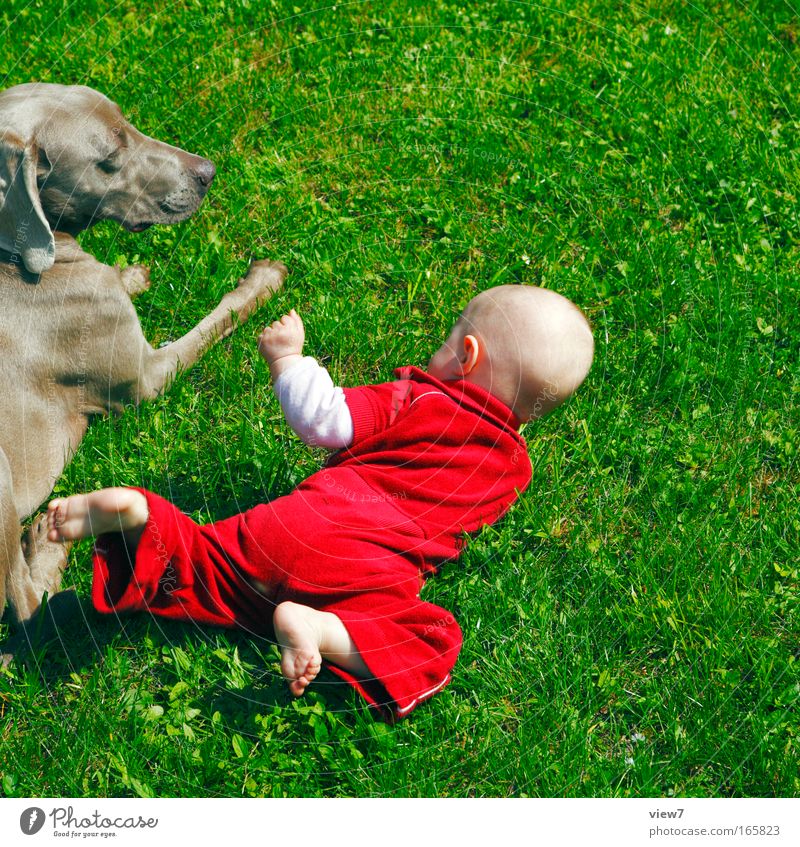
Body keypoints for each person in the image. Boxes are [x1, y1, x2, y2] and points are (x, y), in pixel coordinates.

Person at [47, 284, 594, 719]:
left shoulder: (420, 398)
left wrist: (289, 361)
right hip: (369, 571)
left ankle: (144, 515)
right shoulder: (512, 471)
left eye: (451, 335)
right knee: (432, 640)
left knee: (206, 561)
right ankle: (325, 629)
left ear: (466, 355)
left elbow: (322, 419)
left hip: (297, 523)